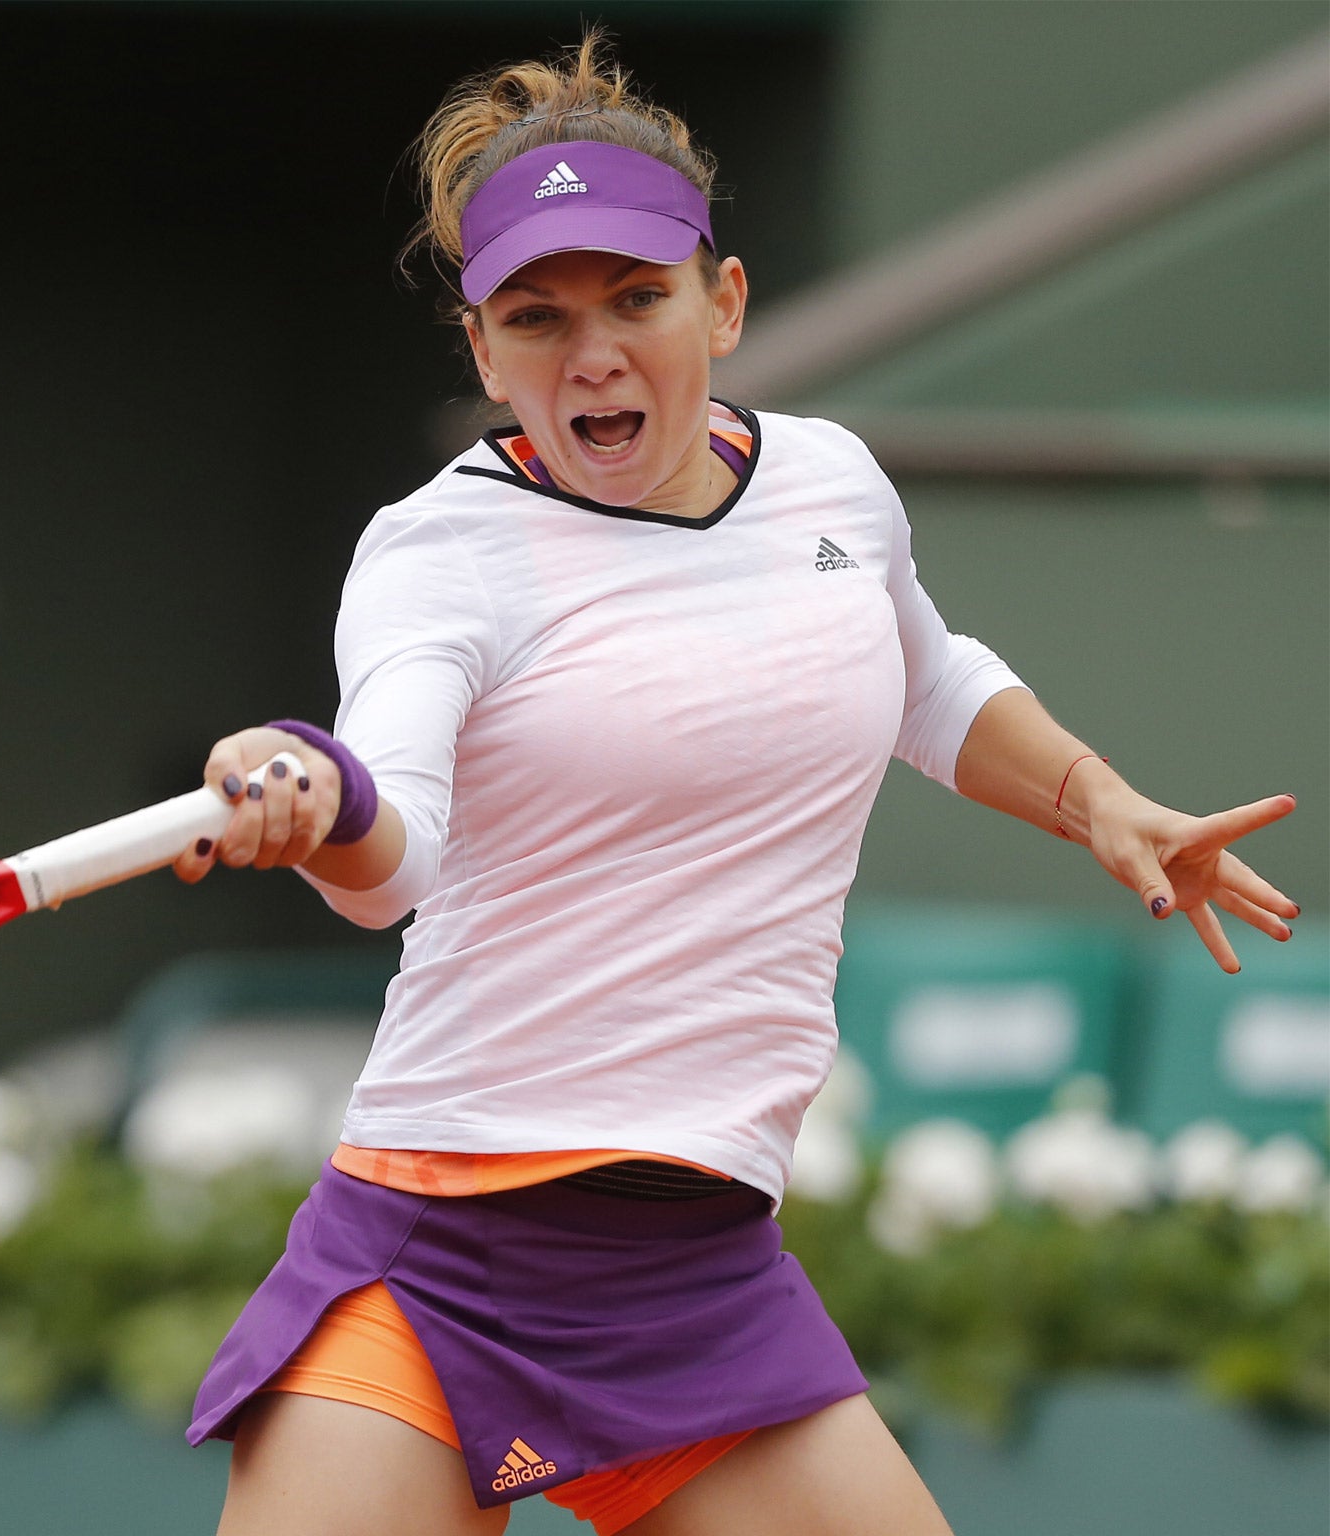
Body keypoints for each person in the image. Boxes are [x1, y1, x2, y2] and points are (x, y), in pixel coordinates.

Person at [168, 37, 1300, 1536]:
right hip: (434, 1247)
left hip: (696, 1274)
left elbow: (925, 674)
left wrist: (1100, 800)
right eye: (538, 318)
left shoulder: (833, 486)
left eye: (638, 299)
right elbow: (399, 855)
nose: (593, 355)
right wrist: (324, 792)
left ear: (726, 301)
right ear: (484, 352)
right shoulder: (438, 555)